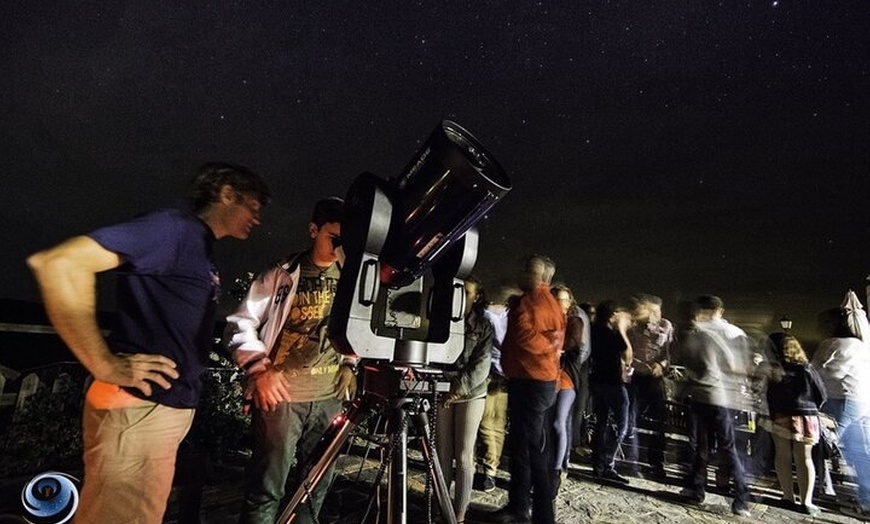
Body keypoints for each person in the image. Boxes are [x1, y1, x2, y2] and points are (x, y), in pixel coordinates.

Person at [26, 162, 271, 524]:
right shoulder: (173, 230)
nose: (258, 219)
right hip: (138, 410)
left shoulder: (199, 246)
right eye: (253, 206)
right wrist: (104, 364)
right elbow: (60, 265)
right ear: (226, 194)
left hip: (154, 413)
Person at [223, 197, 357, 524]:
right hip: (281, 399)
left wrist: (350, 365)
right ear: (313, 230)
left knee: (315, 489)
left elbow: (356, 328)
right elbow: (240, 323)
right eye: (333, 238)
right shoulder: (282, 274)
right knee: (266, 490)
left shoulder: (351, 278)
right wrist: (260, 369)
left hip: (328, 398)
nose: (339, 248)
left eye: (345, 240)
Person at [490, 254, 565, 524]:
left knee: (532, 451)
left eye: (528, 271)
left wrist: (515, 309)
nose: (521, 274)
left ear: (542, 277)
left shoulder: (531, 302)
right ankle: (521, 507)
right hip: (536, 382)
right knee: (526, 448)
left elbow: (524, 337)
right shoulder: (547, 302)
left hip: (531, 383)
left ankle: (539, 515)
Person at [678, 295, 752, 517]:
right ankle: (740, 498)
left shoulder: (698, 334)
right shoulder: (734, 332)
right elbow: (737, 365)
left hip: (705, 395)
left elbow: (690, 366)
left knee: (702, 446)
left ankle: (697, 489)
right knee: (727, 448)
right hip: (724, 396)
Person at [435, 275, 493, 524]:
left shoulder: (483, 325)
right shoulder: (441, 321)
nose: (460, 297)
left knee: (464, 454)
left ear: (476, 297)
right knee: (442, 452)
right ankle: (442, 508)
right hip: (443, 389)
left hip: (471, 393)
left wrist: (457, 388)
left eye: (467, 292)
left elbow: (482, 363)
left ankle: (459, 514)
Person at [812, 307, 870, 519]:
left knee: (820, 443)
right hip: (860, 400)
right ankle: (866, 499)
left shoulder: (833, 344)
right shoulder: (860, 345)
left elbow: (817, 373)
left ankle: (822, 490)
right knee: (858, 452)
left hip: (840, 400)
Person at [758, 335, 826, 516]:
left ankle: (788, 496)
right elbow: (821, 394)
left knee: (782, 455)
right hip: (805, 416)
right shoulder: (806, 368)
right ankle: (806, 502)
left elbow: (759, 390)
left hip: (778, 414)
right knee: (805, 458)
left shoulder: (770, 369)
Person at [625, 293, 674, 480]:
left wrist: (661, 365)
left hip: (656, 379)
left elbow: (668, 353)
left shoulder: (666, 326)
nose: (654, 315)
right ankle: (633, 460)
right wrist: (640, 364)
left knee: (659, 422)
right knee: (632, 419)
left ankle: (656, 462)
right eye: (651, 311)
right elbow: (627, 351)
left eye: (657, 311)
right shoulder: (633, 326)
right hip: (636, 377)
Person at [588, 299, 633, 485]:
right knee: (622, 425)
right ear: (613, 316)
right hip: (613, 384)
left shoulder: (592, 330)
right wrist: (622, 329)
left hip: (596, 381)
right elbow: (628, 356)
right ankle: (608, 464)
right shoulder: (611, 334)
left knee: (601, 423)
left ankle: (597, 464)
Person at [477, 285, 515, 492]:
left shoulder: (487, 315)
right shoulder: (506, 315)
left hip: (496, 374)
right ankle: (489, 468)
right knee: (491, 424)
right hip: (497, 373)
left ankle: (489, 469)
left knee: (491, 423)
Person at [549, 284, 587, 492]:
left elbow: (572, 342)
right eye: (557, 299)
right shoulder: (547, 319)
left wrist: (553, 345)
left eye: (564, 299)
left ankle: (557, 469)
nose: (560, 303)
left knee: (559, 422)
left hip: (565, 378)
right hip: (546, 375)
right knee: (547, 424)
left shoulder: (574, 321)